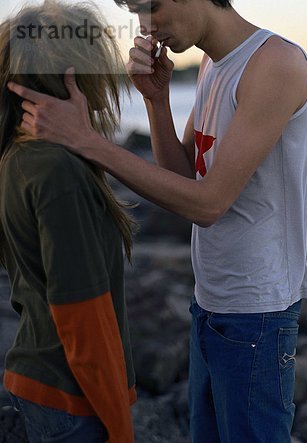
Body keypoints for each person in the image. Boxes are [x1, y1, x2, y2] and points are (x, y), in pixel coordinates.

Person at [7, 0, 307, 441]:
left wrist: (85, 140)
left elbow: (208, 205)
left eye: (152, 6)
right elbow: (182, 178)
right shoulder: (214, 65)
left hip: (257, 315)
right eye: (136, 12)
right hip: (210, 303)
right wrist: (156, 100)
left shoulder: (275, 64)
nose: (146, 26)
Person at [0, 2, 137, 442]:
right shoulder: (56, 171)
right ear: (73, 77)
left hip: (45, 383)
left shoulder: (18, 158)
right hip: (73, 400)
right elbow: (82, 317)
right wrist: (120, 427)